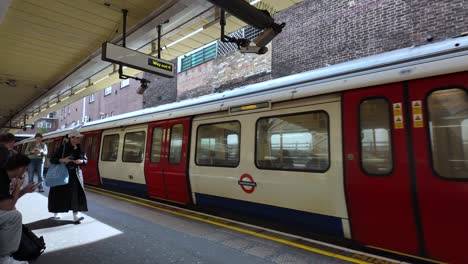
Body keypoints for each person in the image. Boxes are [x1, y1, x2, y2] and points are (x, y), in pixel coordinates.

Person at [0, 154, 37, 264]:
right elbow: (8, 206)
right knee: (14, 216)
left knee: (12, 213)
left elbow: (7, 202)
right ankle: (4, 257)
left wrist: (24, 190)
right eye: (25, 169)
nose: (25, 171)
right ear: (21, 168)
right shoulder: (2, 178)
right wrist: (18, 187)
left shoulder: (4, 174)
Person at [48, 130, 87, 223]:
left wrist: (81, 161)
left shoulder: (80, 147)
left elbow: (85, 159)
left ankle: (75, 214)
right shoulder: (63, 147)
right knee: (58, 193)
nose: (78, 139)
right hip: (62, 174)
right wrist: (63, 160)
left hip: (75, 174)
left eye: (78, 138)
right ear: (71, 138)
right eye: (77, 137)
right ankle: (56, 212)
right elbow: (53, 159)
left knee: (75, 194)